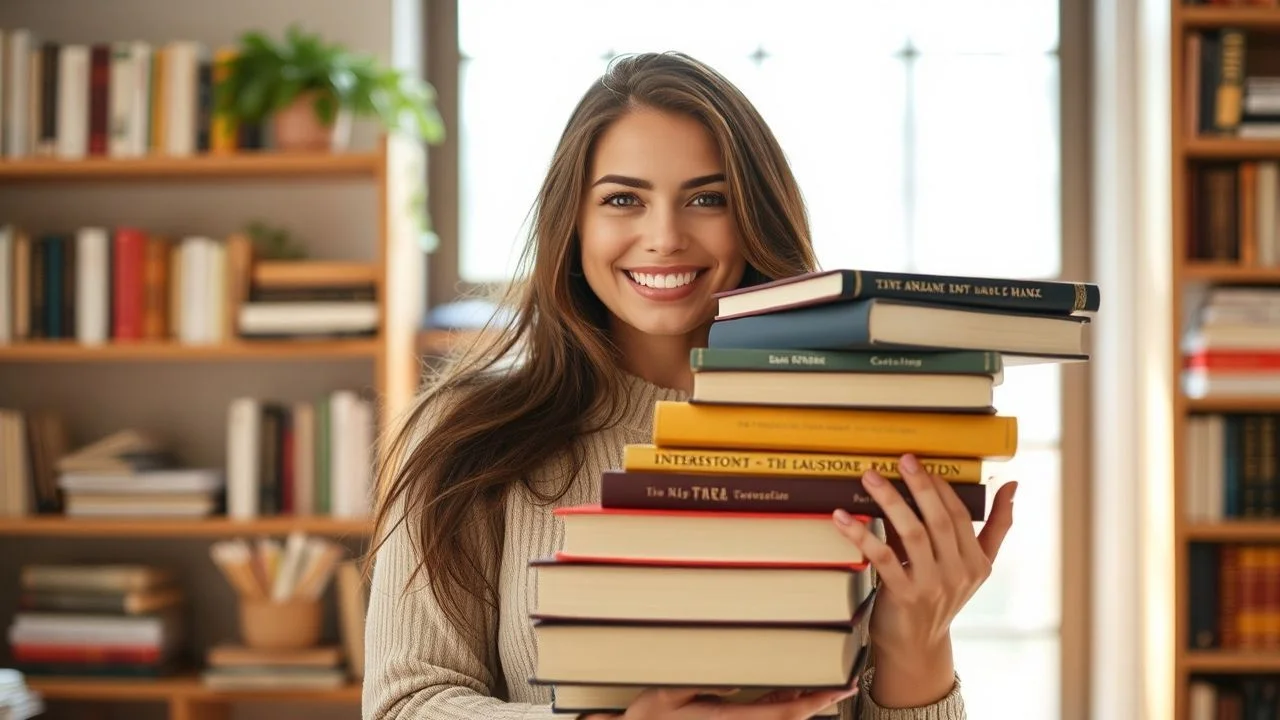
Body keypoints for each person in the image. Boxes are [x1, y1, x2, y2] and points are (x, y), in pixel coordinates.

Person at [362, 51, 1017, 720]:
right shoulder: (465, 436)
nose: (665, 237)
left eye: (707, 198)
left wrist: (920, 639)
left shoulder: (857, 427)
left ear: (755, 216)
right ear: (574, 222)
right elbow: (405, 703)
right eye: (624, 199)